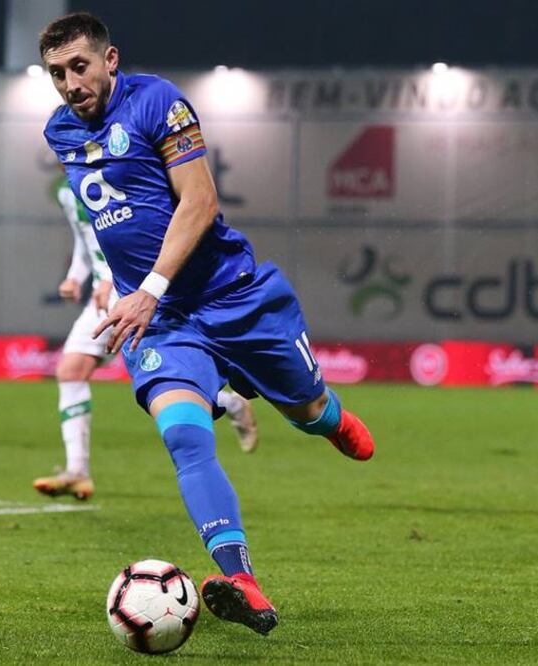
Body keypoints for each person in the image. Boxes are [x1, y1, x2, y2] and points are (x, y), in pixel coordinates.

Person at [39, 13, 375, 635]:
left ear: (110, 60)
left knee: (309, 412)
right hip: (160, 321)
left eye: (79, 67)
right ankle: (240, 576)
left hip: (232, 296)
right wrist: (122, 282)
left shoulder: (158, 102)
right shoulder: (59, 131)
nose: (69, 83)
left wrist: (151, 286)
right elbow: (113, 214)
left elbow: (199, 202)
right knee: (185, 436)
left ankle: (330, 419)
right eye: (56, 73)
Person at [34, 176, 259, 501]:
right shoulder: (65, 188)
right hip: (103, 297)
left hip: (132, 292)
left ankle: (226, 401)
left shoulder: (118, 171)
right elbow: (86, 242)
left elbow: (136, 238)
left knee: (157, 383)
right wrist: (74, 278)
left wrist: (112, 279)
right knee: (71, 370)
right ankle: (78, 471)